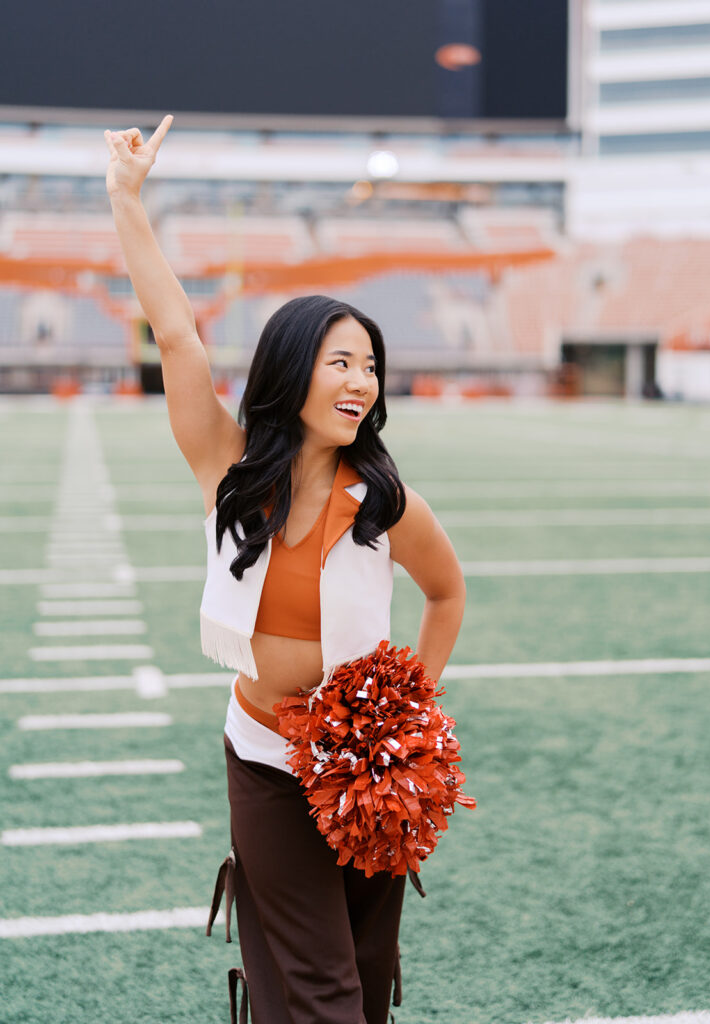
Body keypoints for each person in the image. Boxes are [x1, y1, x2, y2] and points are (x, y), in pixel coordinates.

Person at [104, 115, 466, 1024]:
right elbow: (180, 339)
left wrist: (412, 714)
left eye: (371, 366)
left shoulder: (384, 502)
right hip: (268, 760)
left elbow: (449, 593)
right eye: (341, 361)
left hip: (367, 770)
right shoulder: (230, 470)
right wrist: (126, 200)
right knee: (320, 987)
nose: (362, 381)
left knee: (366, 969)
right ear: (292, 369)